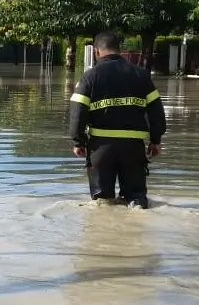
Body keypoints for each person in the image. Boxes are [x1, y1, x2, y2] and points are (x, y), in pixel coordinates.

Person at [68, 31, 167, 209]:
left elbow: (77, 112)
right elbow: (156, 111)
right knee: (137, 200)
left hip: (100, 148)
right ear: (119, 50)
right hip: (133, 147)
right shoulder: (141, 75)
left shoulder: (89, 77)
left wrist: (78, 141)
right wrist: (155, 140)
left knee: (102, 202)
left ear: (96, 52)